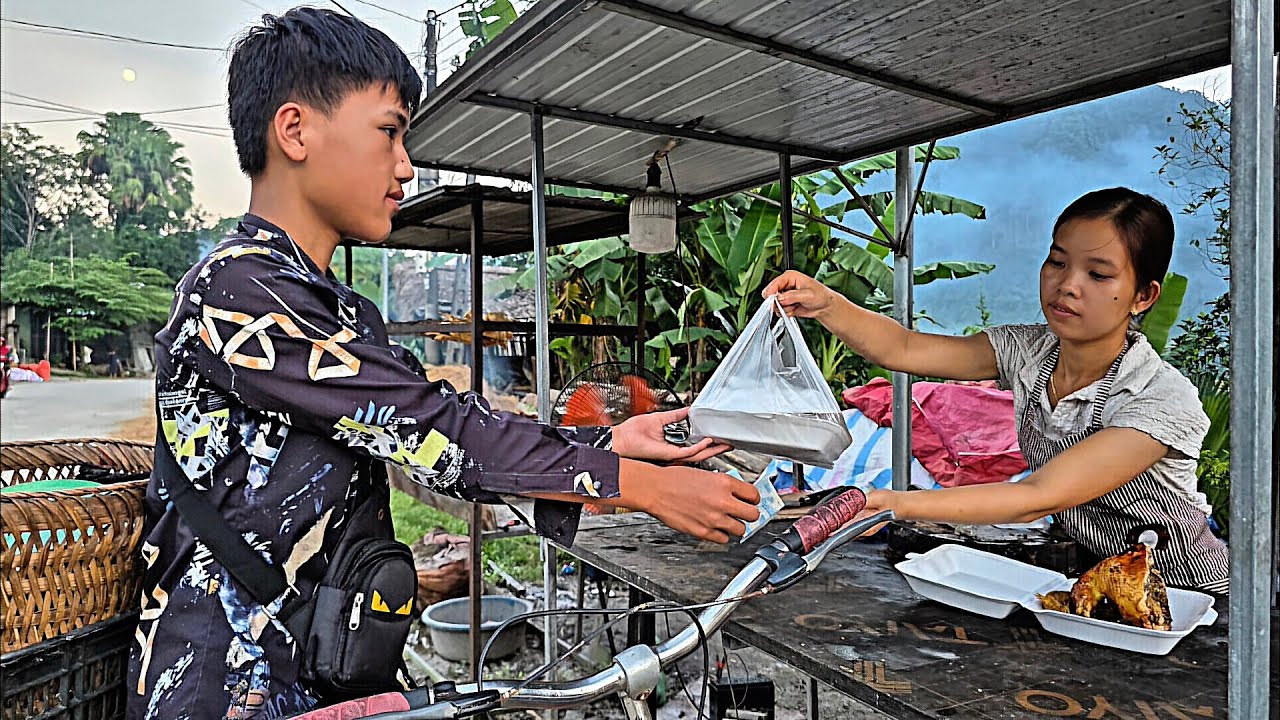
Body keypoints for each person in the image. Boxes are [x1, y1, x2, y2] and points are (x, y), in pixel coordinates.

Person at [126, 9, 758, 719]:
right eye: (390, 131)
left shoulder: (341, 311)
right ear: (295, 130)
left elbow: (431, 428)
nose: (405, 165)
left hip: (319, 668)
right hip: (221, 684)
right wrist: (634, 482)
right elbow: (435, 430)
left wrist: (603, 442)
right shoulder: (235, 294)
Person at [764, 187, 1228, 594]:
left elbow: (1038, 497)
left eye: (1098, 274)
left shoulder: (1159, 398)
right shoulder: (1027, 351)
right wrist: (826, 303)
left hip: (1189, 593)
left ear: (1144, 296)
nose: (1067, 285)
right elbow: (903, 347)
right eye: (1058, 261)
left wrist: (890, 503)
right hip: (1093, 578)